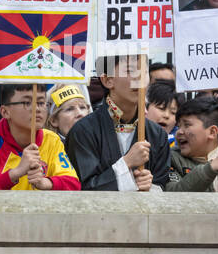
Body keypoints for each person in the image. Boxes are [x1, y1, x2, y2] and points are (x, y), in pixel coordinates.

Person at [66, 54, 170, 191]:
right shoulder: (83, 131)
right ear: (107, 80)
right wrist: (127, 163)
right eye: (130, 71)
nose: (139, 79)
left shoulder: (158, 135)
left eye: (144, 71)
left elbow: (164, 188)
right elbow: (84, 190)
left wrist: (149, 187)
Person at [0, 85, 80, 191]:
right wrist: (15, 173)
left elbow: (74, 184)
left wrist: (46, 183)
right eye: (27, 102)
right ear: (5, 112)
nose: (37, 109)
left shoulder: (51, 140)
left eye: (41, 102)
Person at [144, 80, 179, 146]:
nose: (166, 115)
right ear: (145, 107)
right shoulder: (130, 135)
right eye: (161, 108)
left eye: (173, 112)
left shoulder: (180, 145)